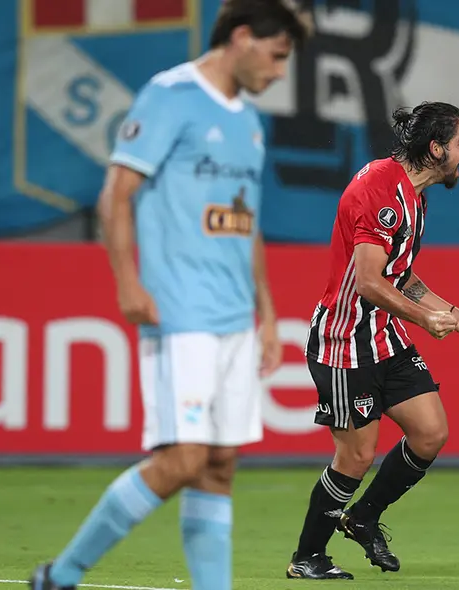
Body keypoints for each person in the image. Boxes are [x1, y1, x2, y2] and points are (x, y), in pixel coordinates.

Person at [29, 2, 311, 589]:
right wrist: (127, 280)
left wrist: (266, 313)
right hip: (181, 310)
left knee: (219, 466)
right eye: (277, 55)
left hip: (234, 316)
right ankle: (62, 573)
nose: (280, 71)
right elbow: (117, 191)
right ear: (242, 37)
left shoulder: (248, 121)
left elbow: (247, 223)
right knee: (182, 460)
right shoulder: (170, 95)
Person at [285, 101, 459, 580]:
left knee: (430, 433)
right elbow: (368, 282)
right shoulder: (382, 191)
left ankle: (363, 516)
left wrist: (451, 312)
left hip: (383, 336)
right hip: (344, 341)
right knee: (356, 455)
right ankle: (307, 557)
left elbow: (400, 274)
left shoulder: (412, 194)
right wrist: (426, 319)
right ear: (436, 148)